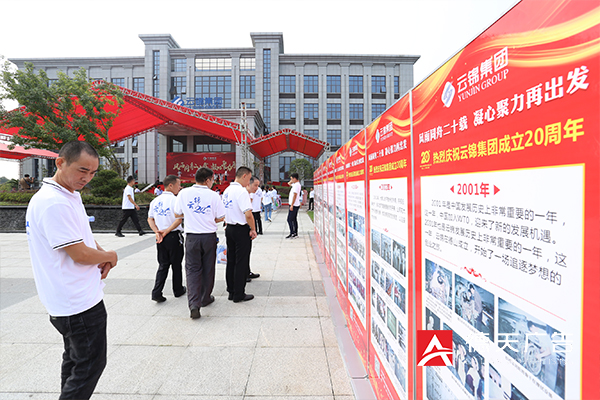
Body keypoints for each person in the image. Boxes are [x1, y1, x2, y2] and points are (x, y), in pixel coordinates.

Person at [25, 141, 118, 400]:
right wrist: (111, 256)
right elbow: (80, 254)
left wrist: (100, 253)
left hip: (72, 296)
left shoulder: (66, 194)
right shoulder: (54, 202)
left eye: (93, 173)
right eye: (82, 170)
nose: (87, 178)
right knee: (89, 366)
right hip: (77, 302)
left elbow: (80, 237)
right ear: (60, 162)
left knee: (76, 361)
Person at [174, 167, 225, 319]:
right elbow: (221, 216)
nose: (213, 182)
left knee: (192, 270)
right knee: (208, 268)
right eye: (212, 180)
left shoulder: (184, 193)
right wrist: (208, 219)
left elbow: (177, 214)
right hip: (208, 237)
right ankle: (205, 298)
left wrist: (191, 216)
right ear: (207, 180)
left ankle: (194, 305)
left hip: (192, 237)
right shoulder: (213, 195)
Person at [147, 175, 186, 303]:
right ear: (171, 185)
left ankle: (157, 292)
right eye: (178, 185)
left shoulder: (155, 201)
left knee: (163, 265)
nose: (179, 187)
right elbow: (179, 220)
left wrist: (157, 232)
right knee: (176, 264)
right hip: (173, 236)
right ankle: (178, 289)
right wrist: (166, 231)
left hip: (160, 237)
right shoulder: (176, 200)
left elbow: (150, 219)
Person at [222, 166, 257, 302]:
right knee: (241, 261)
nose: (249, 182)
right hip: (240, 229)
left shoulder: (227, 190)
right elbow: (248, 214)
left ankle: (231, 291)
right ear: (244, 176)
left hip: (229, 228)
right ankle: (239, 293)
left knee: (231, 261)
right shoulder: (241, 191)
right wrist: (253, 229)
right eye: (249, 179)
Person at [246, 177, 261, 282]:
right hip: (241, 226)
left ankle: (247, 272)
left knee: (246, 253)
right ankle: (244, 275)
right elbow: (248, 214)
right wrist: (253, 229)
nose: (257, 188)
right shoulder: (244, 194)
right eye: (255, 185)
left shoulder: (248, 193)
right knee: (242, 254)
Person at [286, 173, 301, 238]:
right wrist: (291, 181)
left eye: (291, 179)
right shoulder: (296, 184)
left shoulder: (296, 185)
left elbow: (295, 195)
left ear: (295, 178)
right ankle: (295, 233)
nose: (291, 180)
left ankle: (292, 232)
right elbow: (288, 183)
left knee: (289, 219)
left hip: (294, 205)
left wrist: (292, 205)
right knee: (294, 219)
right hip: (295, 204)